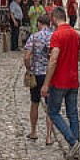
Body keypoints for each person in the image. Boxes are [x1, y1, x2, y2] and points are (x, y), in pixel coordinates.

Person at [41, 7, 80, 160]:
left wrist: (46, 84)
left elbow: (53, 60)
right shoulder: (75, 34)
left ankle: (72, 141)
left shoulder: (57, 35)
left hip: (59, 80)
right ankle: (76, 147)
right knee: (73, 113)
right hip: (73, 79)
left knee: (53, 112)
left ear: (53, 18)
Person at [24, 15, 55, 144]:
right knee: (50, 106)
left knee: (34, 103)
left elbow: (26, 56)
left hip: (36, 74)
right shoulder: (54, 36)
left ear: (39, 23)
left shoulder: (34, 37)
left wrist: (28, 68)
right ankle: (48, 136)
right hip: (50, 74)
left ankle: (33, 131)